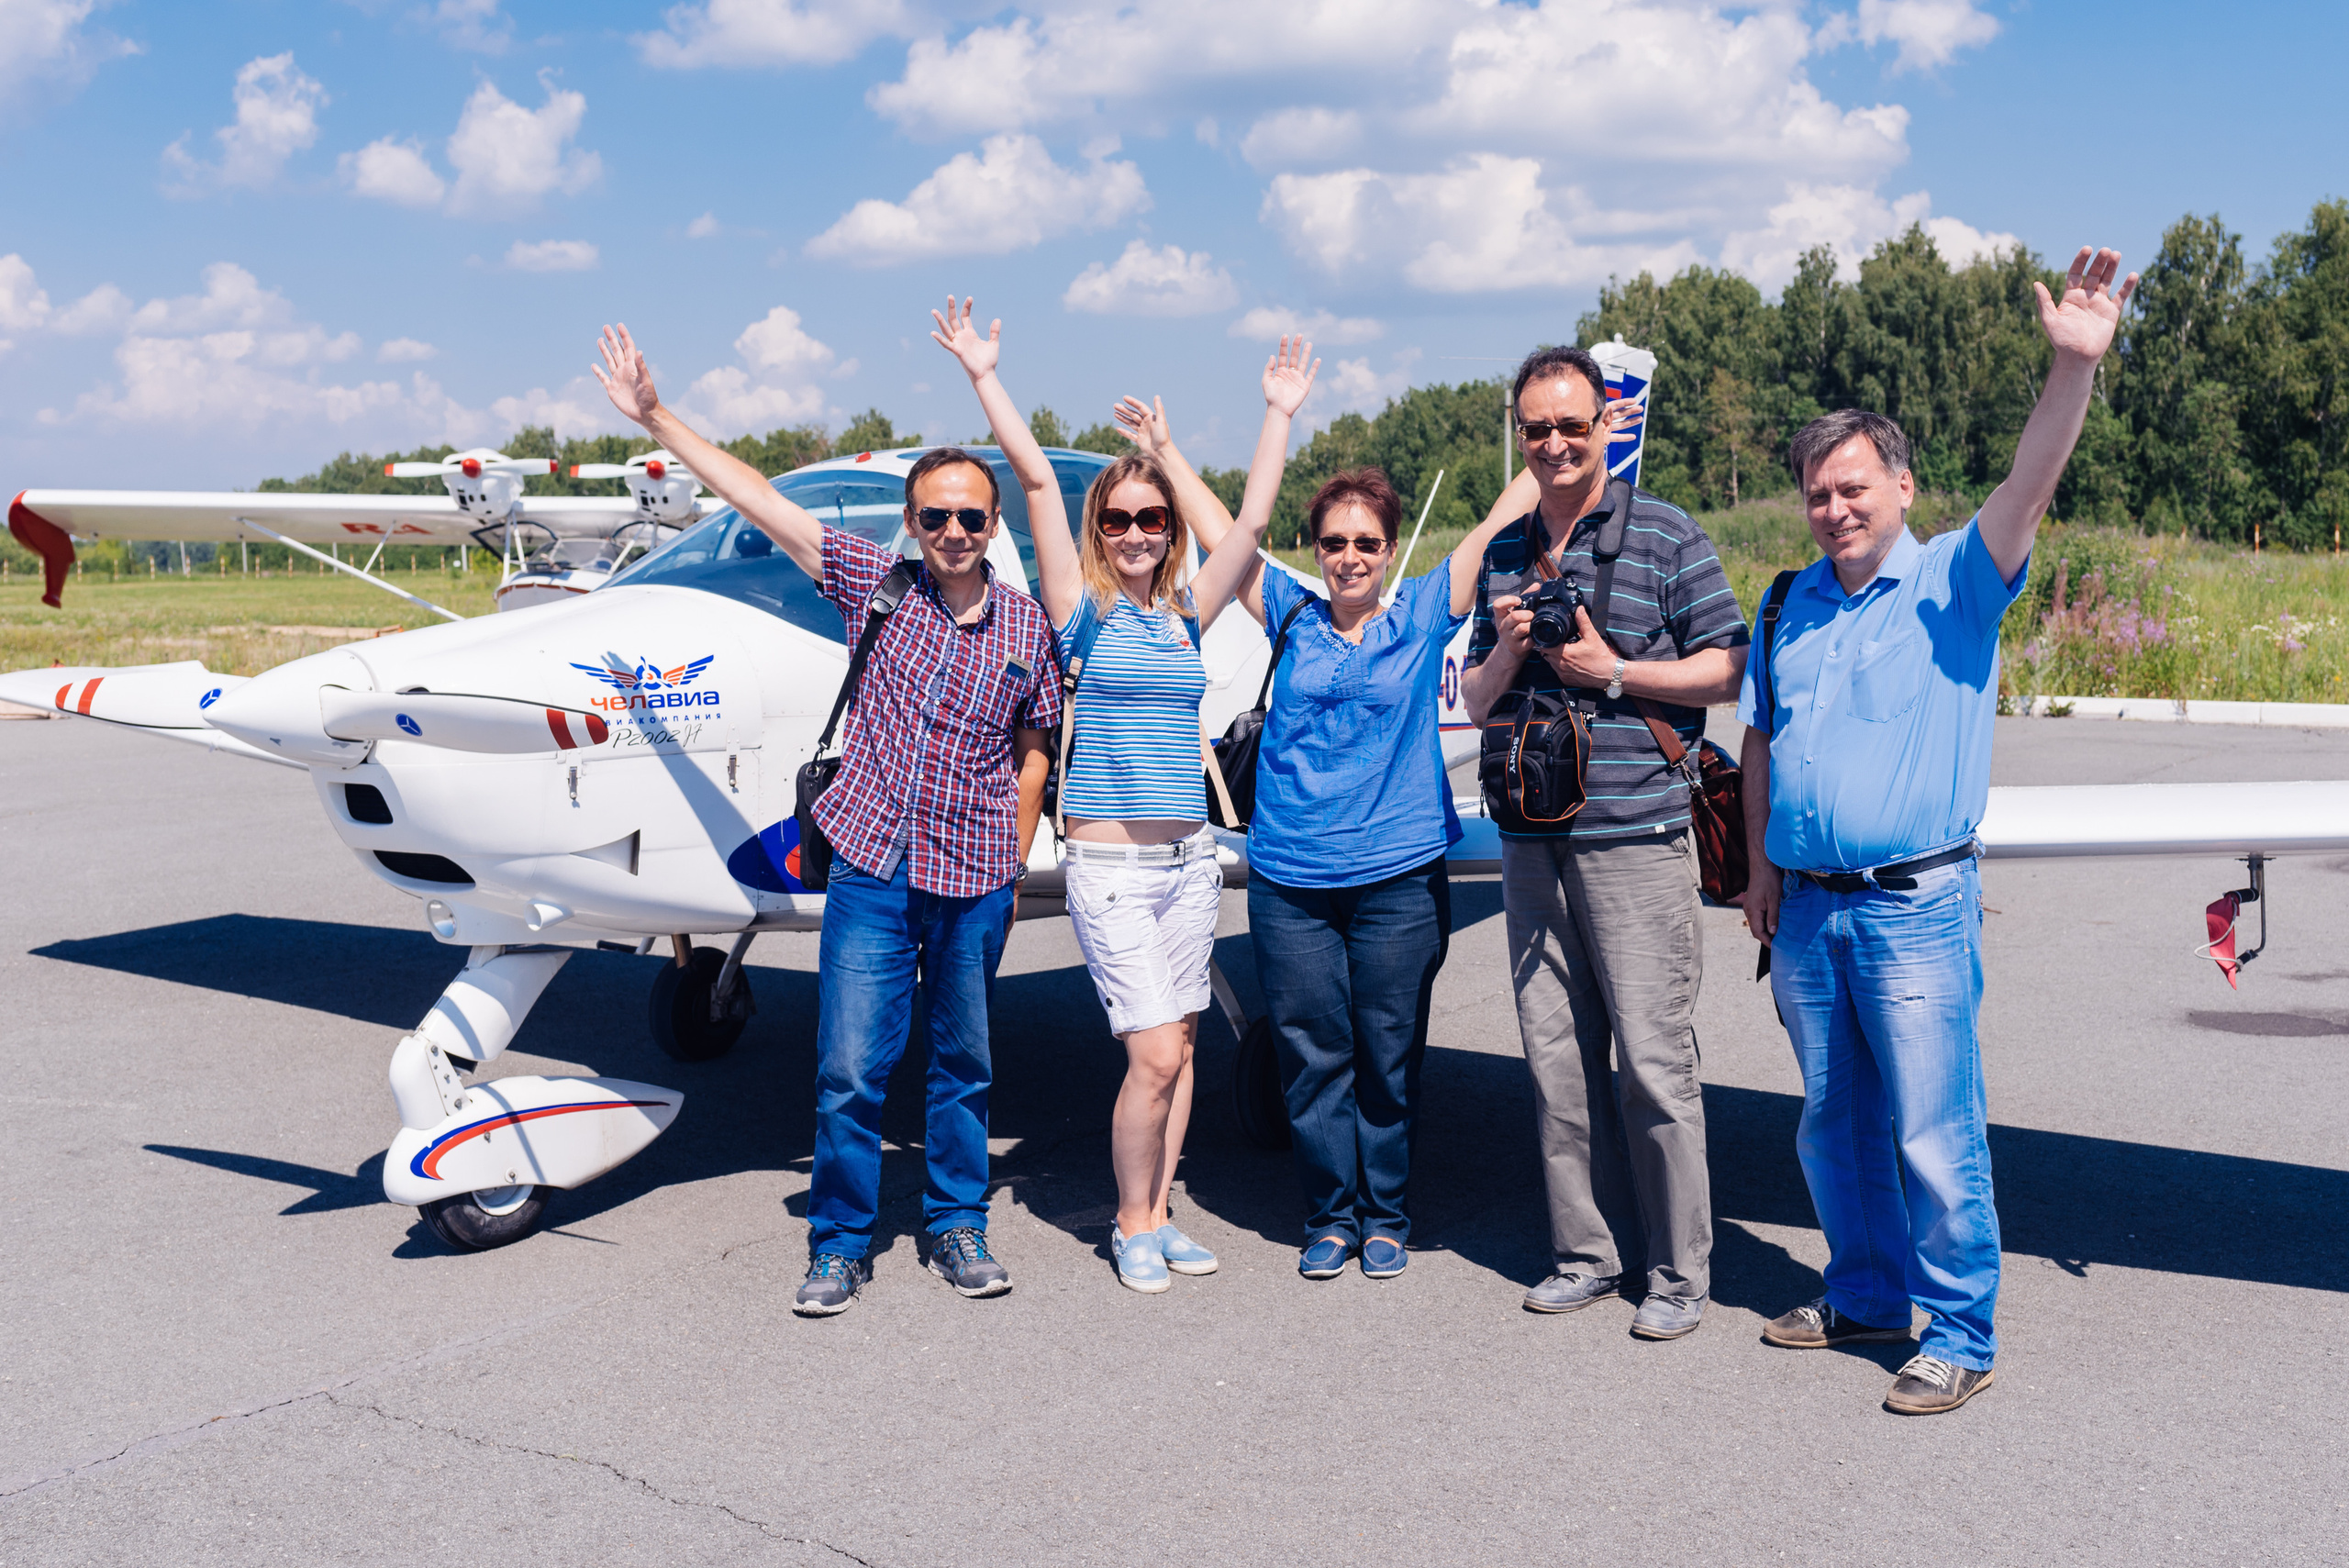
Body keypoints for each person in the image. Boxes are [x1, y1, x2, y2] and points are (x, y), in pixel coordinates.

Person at [593, 321, 1061, 1318]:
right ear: (912, 522)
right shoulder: (872, 586)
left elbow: (1035, 751)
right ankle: (841, 1242)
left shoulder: (1027, 625)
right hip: (872, 865)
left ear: (993, 525)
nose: (953, 532)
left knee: (964, 1065)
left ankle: (958, 1223)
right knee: (850, 1067)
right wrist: (657, 417)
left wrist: (1014, 861)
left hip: (975, 875)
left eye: (970, 517)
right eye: (935, 516)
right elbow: (757, 498)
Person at [1740, 247, 2138, 1414]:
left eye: (1853, 487)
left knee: (1931, 1129)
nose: (1835, 508)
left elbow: (2028, 481)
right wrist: (1761, 870)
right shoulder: (1787, 602)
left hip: (1914, 906)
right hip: (1806, 911)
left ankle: (1960, 1328)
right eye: (1817, 493)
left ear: (1903, 487)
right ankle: (1867, 1290)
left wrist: (2071, 368)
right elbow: (1761, 740)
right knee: (1831, 1127)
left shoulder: (1957, 580)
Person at [930, 297, 1318, 1293]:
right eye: (1120, 520)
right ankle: (1127, 1223)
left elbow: (1254, 524)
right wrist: (984, 375)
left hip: (1189, 861)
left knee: (1182, 1046)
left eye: (1153, 518)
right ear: (1100, 530)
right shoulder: (1080, 611)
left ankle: (1159, 1211)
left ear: (1170, 527)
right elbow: (1030, 479)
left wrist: (1276, 414)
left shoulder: (1188, 613)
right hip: (1108, 864)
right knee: (1150, 1053)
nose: (1138, 532)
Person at [1143, 422, 1526, 1280]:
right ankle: (1329, 1214)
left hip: (1399, 879)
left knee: (1388, 1052)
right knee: (1311, 1053)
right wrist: (1167, 453)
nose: (1350, 557)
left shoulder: (1422, 611)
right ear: (1315, 549)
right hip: (1291, 880)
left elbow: (1496, 520)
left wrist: (1572, 438)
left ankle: (1386, 1213)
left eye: (1366, 543)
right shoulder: (1291, 611)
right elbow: (1225, 534)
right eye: (1333, 543)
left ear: (1389, 550)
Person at [1458, 348, 1750, 1341]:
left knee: (1655, 1063)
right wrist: (1509, 647)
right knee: (1555, 1060)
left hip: (1635, 835)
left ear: (1605, 427)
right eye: (1537, 428)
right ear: (1520, 433)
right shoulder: (1505, 550)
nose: (1555, 443)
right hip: (1529, 838)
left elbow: (1728, 668)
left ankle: (1677, 1273)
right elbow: (1474, 699)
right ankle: (1584, 1255)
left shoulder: (1664, 531)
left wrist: (1612, 670)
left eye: (1572, 425)